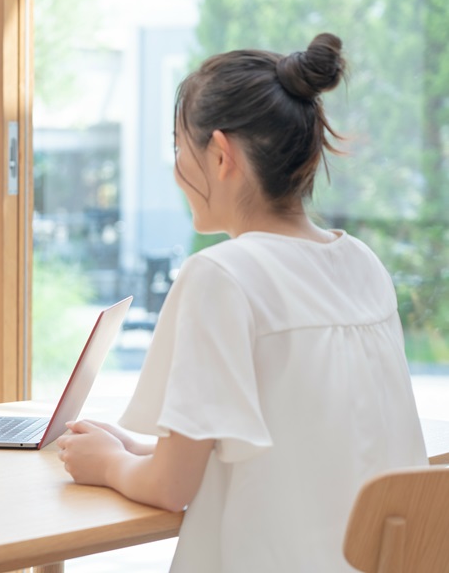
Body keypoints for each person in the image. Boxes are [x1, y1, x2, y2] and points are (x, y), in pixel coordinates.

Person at [56, 33, 427, 572]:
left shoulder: (222, 275)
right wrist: (134, 450)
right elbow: (298, 452)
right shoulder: (362, 264)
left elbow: (171, 488)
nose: (177, 166)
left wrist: (111, 465)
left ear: (222, 154)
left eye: (179, 147)